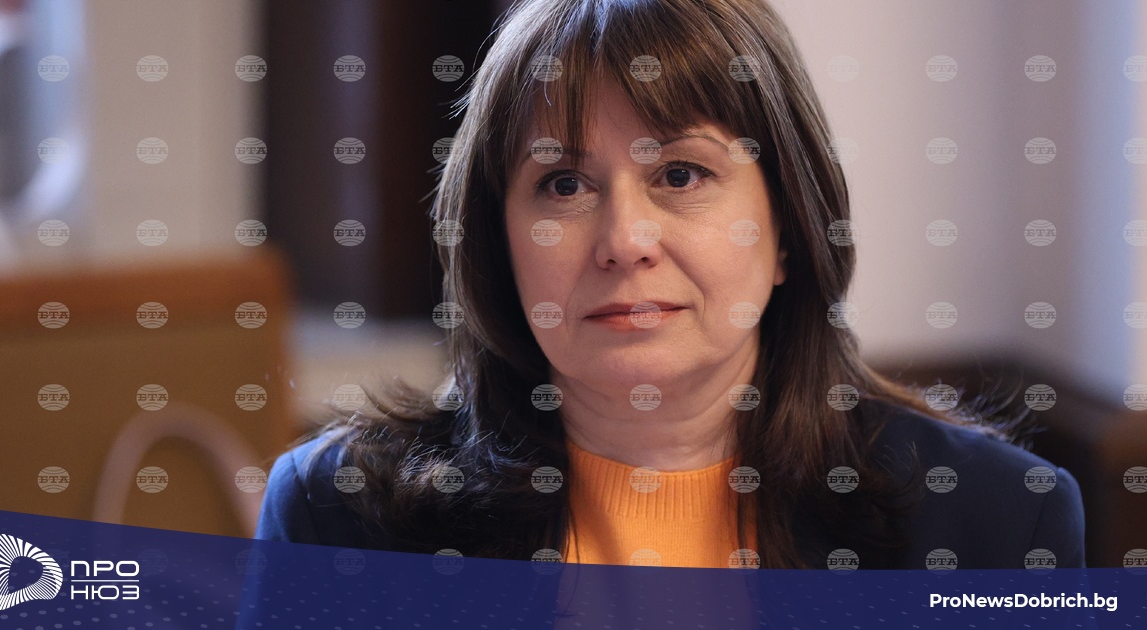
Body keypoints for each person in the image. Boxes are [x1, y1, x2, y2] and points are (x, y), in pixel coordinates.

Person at [256, 0, 1085, 570]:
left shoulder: (997, 522)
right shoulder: (337, 521)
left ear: (788, 228)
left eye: (681, 174)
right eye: (564, 185)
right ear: (498, 245)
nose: (625, 241)